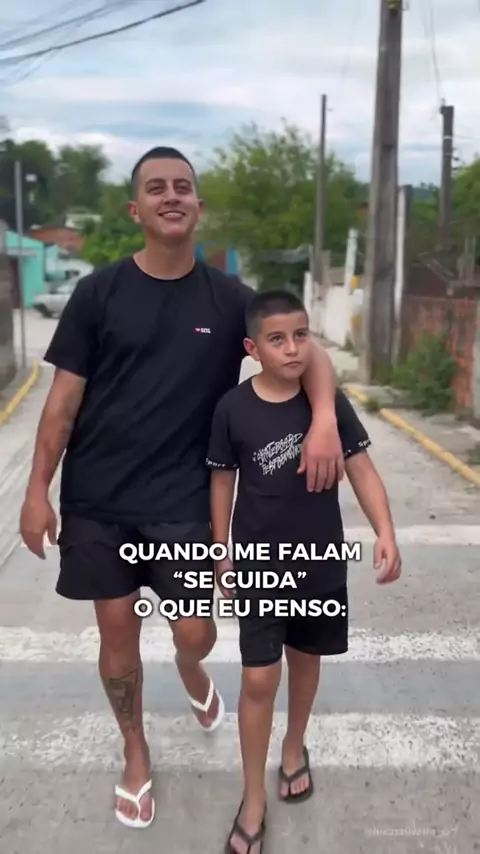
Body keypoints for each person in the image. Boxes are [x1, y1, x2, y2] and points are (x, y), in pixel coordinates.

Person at [19, 148, 345, 829]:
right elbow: (61, 403)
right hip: (99, 499)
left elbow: (308, 352)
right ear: (135, 209)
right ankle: (135, 751)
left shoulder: (230, 300)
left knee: (195, 630)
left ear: (198, 207)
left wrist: (322, 422)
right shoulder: (98, 294)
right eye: (156, 188)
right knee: (116, 634)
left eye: (183, 187)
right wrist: (36, 489)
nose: (171, 196)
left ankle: (190, 669)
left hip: (184, 501)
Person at [206, 289, 402, 854]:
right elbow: (222, 480)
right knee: (258, 678)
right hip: (259, 566)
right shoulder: (232, 409)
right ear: (253, 349)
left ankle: (294, 746)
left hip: (320, 564)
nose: (292, 348)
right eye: (277, 339)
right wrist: (221, 549)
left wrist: (386, 531)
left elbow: (362, 470)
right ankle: (253, 798)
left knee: (306, 661)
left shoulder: (328, 406)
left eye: (300, 335)